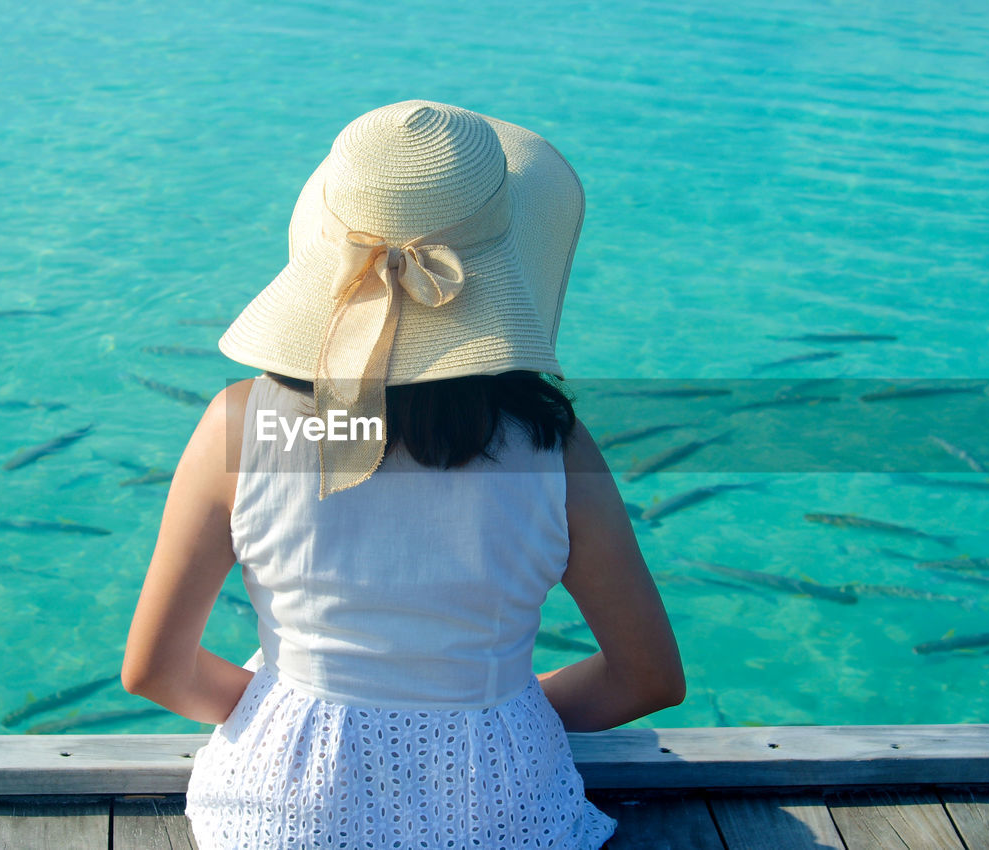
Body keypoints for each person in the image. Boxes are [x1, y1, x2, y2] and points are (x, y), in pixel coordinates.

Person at [121, 100, 685, 849]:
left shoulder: (239, 425)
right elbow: (649, 679)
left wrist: (284, 713)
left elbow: (154, 671)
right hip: (499, 819)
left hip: (283, 820)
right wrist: (491, 718)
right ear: (506, 259)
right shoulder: (556, 448)